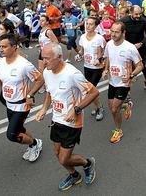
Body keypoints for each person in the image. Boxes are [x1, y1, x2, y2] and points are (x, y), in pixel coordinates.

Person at [36, 43, 99, 191]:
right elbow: (49, 92)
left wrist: (76, 109)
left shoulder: (72, 73)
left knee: (64, 158)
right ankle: (74, 175)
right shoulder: (47, 72)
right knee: (58, 154)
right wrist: (44, 109)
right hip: (56, 119)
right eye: (42, 58)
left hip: (72, 122)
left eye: (47, 58)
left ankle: (87, 164)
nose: (44, 62)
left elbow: (94, 92)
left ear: (59, 57)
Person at [0, 33, 45, 162]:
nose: (1, 49)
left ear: (14, 47)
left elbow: (40, 79)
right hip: (9, 103)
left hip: (22, 105)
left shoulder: (24, 64)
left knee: (12, 134)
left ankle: (34, 144)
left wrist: (30, 95)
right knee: (19, 128)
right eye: (0, 46)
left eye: (4, 47)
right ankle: (35, 143)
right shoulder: (0, 63)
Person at [102, 21, 143, 143]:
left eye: (116, 32)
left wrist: (131, 75)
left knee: (114, 109)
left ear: (123, 33)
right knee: (112, 108)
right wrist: (105, 70)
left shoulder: (130, 48)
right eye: (112, 31)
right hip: (112, 81)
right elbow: (108, 57)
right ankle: (126, 105)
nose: (113, 34)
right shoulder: (109, 44)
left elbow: (140, 65)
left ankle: (118, 131)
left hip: (124, 83)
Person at [75, 17, 106, 121]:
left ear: (96, 26)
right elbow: (82, 50)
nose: (88, 26)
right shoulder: (83, 37)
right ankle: (98, 107)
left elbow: (107, 51)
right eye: (87, 24)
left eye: (91, 24)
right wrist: (79, 54)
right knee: (90, 90)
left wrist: (100, 59)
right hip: (87, 66)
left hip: (97, 67)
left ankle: (99, 108)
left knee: (90, 90)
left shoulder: (99, 38)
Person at [120, 5, 146, 89]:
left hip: (139, 46)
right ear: (131, 13)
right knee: (128, 65)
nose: (138, 16)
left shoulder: (143, 21)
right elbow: (119, 31)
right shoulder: (124, 21)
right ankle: (127, 86)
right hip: (128, 47)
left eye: (140, 14)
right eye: (136, 14)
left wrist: (141, 43)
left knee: (142, 65)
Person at [35, 15, 58, 94]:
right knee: (41, 70)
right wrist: (39, 45)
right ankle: (43, 85)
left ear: (47, 22)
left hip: (48, 53)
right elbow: (44, 41)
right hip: (42, 52)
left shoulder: (48, 31)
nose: (41, 22)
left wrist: (50, 49)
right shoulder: (41, 30)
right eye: (40, 20)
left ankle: (52, 84)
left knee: (49, 70)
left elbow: (56, 41)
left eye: (43, 21)